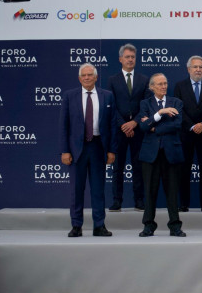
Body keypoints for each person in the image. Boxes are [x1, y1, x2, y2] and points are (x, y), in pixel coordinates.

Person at [60, 63, 117, 237]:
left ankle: (99, 226)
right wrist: (65, 150)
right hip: (77, 149)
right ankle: (76, 226)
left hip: (98, 147)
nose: (86, 78)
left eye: (90, 75)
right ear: (79, 78)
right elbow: (64, 125)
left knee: (98, 190)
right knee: (76, 190)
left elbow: (112, 125)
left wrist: (111, 150)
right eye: (83, 75)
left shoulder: (107, 96)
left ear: (96, 77)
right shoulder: (70, 96)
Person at [137, 73, 186, 237]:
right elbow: (143, 127)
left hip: (171, 153)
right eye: (159, 84)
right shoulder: (145, 103)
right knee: (150, 192)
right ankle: (148, 226)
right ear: (152, 87)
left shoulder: (177, 102)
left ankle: (175, 226)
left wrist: (153, 127)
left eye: (165, 83)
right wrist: (161, 113)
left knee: (172, 192)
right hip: (150, 155)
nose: (163, 86)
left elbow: (177, 125)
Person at [107, 43, 150, 212]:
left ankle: (139, 200)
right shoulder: (112, 80)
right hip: (119, 130)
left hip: (138, 129)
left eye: (133, 57)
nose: (130, 59)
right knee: (118, 167)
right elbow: (111, 105)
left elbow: (146, 105)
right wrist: (123, 124)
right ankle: (117, 200)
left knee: (138, 165)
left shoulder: (144, 80)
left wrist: (135, 123)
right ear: (120, 59)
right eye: (127, 57)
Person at [174, 55, 202, 213]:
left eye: (201, 67)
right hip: (186, 133)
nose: (198, 69)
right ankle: (183, 204)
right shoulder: (180, 86)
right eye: (195, 67)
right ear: (188, 69)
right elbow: (178, 109)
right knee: (184, 169)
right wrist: (192, 126)